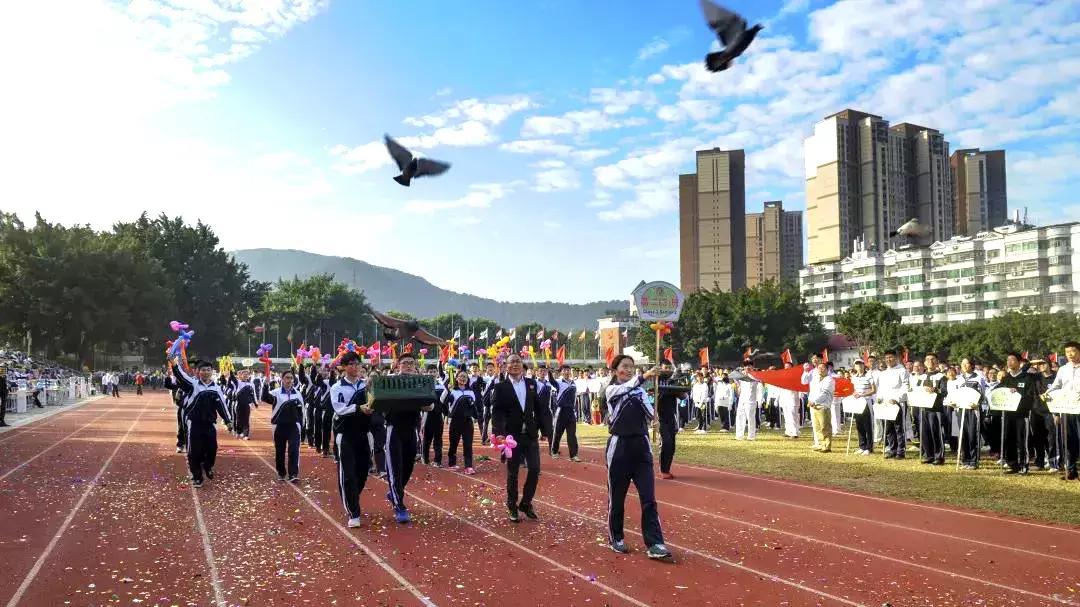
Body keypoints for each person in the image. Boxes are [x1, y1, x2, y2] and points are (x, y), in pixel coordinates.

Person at [603, 354, 672, 560]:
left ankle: (655, 543)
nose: (630, 369)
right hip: (619, 447)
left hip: (641, 447)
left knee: (648, 498)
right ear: (615, 371)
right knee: (617, 497)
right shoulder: (612, 391)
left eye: (632, 367)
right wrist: (647, 375)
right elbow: (628, 387)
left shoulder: (640, 392)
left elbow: (650, 413)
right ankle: (616, 537)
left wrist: (655, 421)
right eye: (625, 366)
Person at [490, 353, 552, 522]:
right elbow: (497, 412)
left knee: (534, 469)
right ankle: (512, 505)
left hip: (530, 434)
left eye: (518, 361)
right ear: (506, 366)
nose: (515, 365)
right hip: (511, 437)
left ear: (522, 364)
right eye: (511, 362)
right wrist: (499, 433)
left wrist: (545, 430)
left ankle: (525, 503)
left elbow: (540, 409)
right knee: (513, 473)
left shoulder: (531, 384)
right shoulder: (501, 387)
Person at [382, 352, 436, 524]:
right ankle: (399, 506)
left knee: (408, 467)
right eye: (405, 362)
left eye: (411, 363)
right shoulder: (389, 380)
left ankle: (395, 491)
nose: (408, 365)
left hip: (412, 428)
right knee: (395, 469)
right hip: (393, 428)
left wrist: (425, 400)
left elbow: (429, 406)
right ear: (398, 365)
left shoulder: (420, 382)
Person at [171, 359, 233, 488]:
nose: (206, 372)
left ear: (212, 372)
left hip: (209, 424)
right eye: (203, 370)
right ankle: (197, 476)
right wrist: (174, 364)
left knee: (212, 449)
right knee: (194, 451)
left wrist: (228, 421)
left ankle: (208, 466)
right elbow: (181, 376)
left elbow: (222, 405)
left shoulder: (216, 388)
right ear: (198, 372)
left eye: (208, 370)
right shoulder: (192, 385)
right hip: (194, 424)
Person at [330, 352, 374, 527]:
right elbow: (339, 409)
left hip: (363, 433)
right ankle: (353, 512)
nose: (354, 367)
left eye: (357, 364)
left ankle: (352, 496)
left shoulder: (366, 386)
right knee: (347, 474)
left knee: (362, 472)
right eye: (351, 364)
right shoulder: (337, 387)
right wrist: (359, 408)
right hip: (346, 434)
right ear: (343, 366)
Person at [263, 368, 304, 482]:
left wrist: (303, 426)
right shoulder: (276, 393)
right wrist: (265, 385)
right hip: (279, 426)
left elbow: (302, 412)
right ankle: (281, 473)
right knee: (280, 451)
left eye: (291, 378)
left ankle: (293, 474)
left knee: (294, 449)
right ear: (282, 379)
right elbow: (265, 397)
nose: (289, 380)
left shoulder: (298, 394)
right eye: (287, 378)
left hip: (293, 427)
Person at [1047, 341, 1080, 480]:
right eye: (1067, 352)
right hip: (1067, 409)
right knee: (1068, 440)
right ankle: (1071, 469)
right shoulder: (1063, 369)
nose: (1070, 354)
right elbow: (1056, 386)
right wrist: (1047, 393)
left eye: (1073, 351)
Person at [998, 352, 1036, 475]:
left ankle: (1023, 466)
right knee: (1008, 439)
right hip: (1008, 415)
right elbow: (998, 392)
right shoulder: (1006, 378)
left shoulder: (1027, 378)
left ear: (1019, 362)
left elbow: (1030, 396)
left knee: (1022, 440)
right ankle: (1012, 464)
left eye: (1013, 360)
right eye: (1008, 360)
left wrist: (1018, 392)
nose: (1009, 362)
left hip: (1021, 415)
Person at [442, 366, 479, 472]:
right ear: (456, 378)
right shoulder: (452, 391)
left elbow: (473, 406)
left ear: (467, 380)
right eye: (461, 376)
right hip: (455, 421)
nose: (463, 379)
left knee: (468, 444)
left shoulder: (470, 392)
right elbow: (443, 402)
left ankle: (469, 466)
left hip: (467, 422)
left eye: (465, 377)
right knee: (454, 443)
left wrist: (476, 417)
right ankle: (452, 463)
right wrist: (447, 390)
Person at [877, 351, 910, 459]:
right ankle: (892, 449)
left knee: (898, 428)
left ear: (895, 358)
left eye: (891, 357)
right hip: (885, 404)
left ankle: (900, 451)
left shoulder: (902, 370)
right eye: (886, 358)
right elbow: (880, 388)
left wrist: (896, 399)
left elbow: (905, 386)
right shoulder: (883, 373)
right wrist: (879, 398)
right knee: (888, 428)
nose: (888, 360)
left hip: (897, 403)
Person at [549, 365, 580, 461]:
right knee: (557, 433)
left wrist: (575, 411)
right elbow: (551, 381)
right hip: (561, 411)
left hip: (570, 411)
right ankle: (554, 451)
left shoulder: (573, 383)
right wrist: (550, 372)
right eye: (565, 370)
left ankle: (573, 455)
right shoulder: (558, 382)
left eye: (568, 370)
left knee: (572, 434)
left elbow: (575, 399)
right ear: (561, 372)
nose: (567, 372)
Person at [849, 360, 875, 455]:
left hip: (866, 402)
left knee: (867, 425)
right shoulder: (854, 377)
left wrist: (863, 394)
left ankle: (869, 447)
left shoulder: (869, 375)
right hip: (857, 403)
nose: (859, 366)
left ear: (864, 365)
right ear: (855, 366)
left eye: (860, 364)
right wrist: (854, 394)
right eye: (857, 364)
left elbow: (873, 390)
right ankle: (862, 446)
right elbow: (852, 389)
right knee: (859, 425)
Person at [807, 361, 834, 453]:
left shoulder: (829, 380)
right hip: (813, 406)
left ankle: (827, 446)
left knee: (825, 426)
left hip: (823, 406)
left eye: (823, 368)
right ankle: (821, 444)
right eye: (819, 368)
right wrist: (810, 400)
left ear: (827, 369)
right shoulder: (815, 379)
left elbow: (825, 393)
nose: (821, 370)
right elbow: (812, 391)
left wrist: (814, 401)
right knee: (817, 427)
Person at [734, 364, 761, 441]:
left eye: (749, 366)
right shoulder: (742, 376)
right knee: (739, 417)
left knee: (750, 418)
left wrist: (748, 374)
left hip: (750, 401)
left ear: (752, 367)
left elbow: (755, 381)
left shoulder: (755, 376)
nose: (747, 368)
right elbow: (733, 376)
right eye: (746, 366)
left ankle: (751, 436)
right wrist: (739, 372)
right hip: (742, 399)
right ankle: (739, 435)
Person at [231, 369, 258, 440]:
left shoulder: (251, 384)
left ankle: (246, 435)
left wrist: (256, 403)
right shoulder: (238, 383)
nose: (246, 375)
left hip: (247, 404)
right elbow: (232, 378)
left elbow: (254, 393)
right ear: (241, 375)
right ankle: (239, 432)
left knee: (246, 419)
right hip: (238, 404)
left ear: (249, 375)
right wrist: (230, 369)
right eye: (244, 374)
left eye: (247, 374)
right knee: (239, 419)